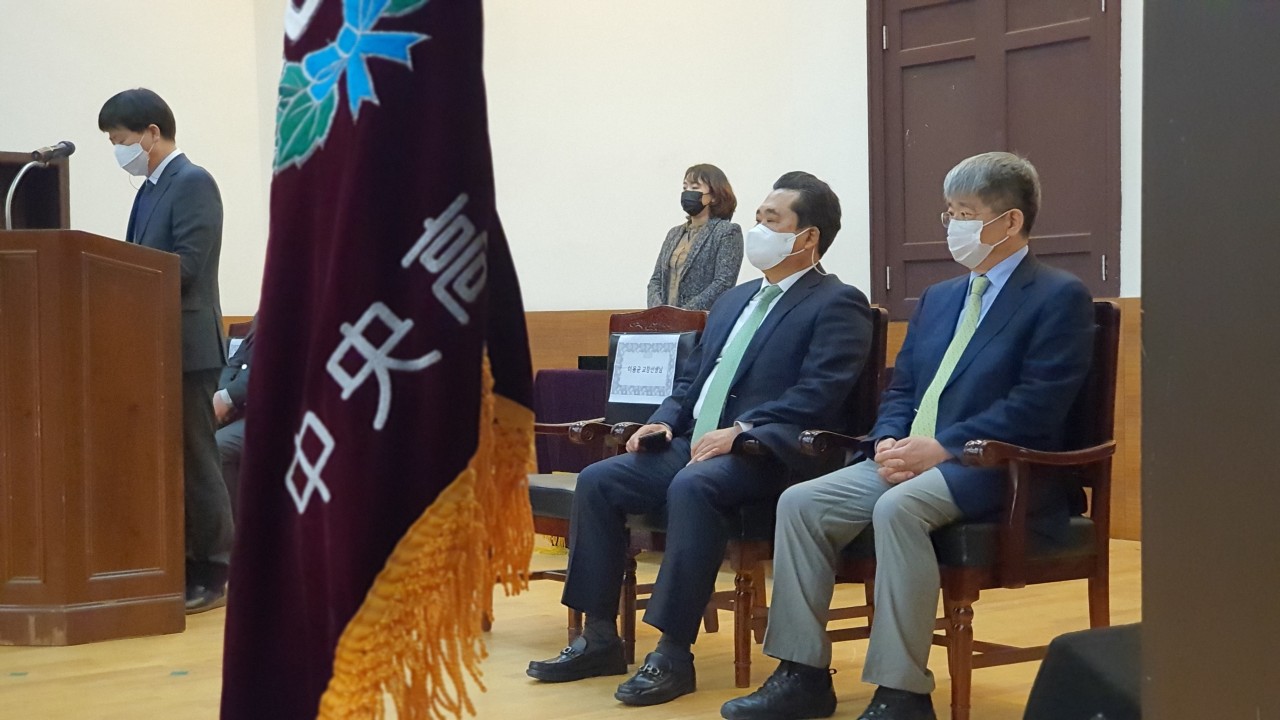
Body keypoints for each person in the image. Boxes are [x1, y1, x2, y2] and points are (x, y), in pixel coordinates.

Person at [721, 152, 1095, 720]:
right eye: (949, 213)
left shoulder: (1057, 296)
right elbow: (902, 388)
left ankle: (902, 693)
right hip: (910, 458)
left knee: (898, 508)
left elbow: (1038, 405)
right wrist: (890, 440)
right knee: (800, 502)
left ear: (1011, 221)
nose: (952, 226)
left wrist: (943, 447)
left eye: (965, 213)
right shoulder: (940, 298)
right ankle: (802, 674)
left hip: (996, 466)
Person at [528, 172, 874, 707]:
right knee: (598, 480)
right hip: (693, 443)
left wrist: (744, 430)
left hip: (769, 454)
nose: (758, 229)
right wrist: (664, 419)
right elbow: (692, 379)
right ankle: (598, 637)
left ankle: (672, 653)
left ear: (807, 237)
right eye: (757, 217)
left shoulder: (837, 302)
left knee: (695, 486)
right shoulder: (735, 301)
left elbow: (821, 393)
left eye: (772, 220)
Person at [98, 88, 233, 615]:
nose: (118, 151)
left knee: (197, 459)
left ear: (152, 133)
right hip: (153, 345)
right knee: (168, 460)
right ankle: (178, 563)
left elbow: (189, 265)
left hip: (188, 348)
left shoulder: (193, 182)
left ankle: (214, 570)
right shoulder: (150, 189)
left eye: (121, 140)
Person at [646, 163, 743, 311]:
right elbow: (656, 279)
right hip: (665, 321)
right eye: (685, 188)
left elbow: (723, 283)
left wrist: (684, 314)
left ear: (714, 196)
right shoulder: (674, 233)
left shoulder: (727, 232)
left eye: (695, 187)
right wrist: (658, 312)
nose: (687, 193)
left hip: (703, 320)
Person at [215, 317, 255, 516]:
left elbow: (266, 369)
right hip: (241, 410)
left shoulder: (295, 316)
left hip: (274, 416)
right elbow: (236, 362)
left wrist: (227, 398)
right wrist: (221, 394)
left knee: (218, 446)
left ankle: (234, 527)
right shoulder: (263, 315)